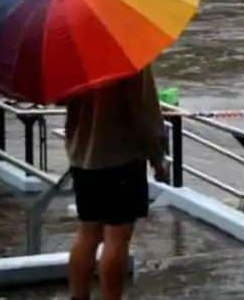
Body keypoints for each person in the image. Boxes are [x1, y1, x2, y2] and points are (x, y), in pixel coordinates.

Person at [65, 66, 168, 300]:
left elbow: (61, 99)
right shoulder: (129, 59)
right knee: (117, 236)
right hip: (120, 157)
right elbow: (143, 111)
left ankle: (78, 296)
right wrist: (157, 157)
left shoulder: (73, 54)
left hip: (82, 157)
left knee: (88, 232)